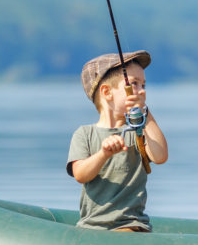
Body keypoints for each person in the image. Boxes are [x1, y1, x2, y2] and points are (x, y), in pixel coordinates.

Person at [67, 50, 169, 231]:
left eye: (143, 84)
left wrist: (145, 113)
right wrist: (103, 154)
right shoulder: (84, 134)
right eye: (134, 84)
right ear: (107, 92)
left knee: (126, 233)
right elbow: (80, 174)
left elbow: (160, 156)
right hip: (90, 226)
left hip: (131, 224)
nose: (142, 90)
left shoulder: (138, 132)